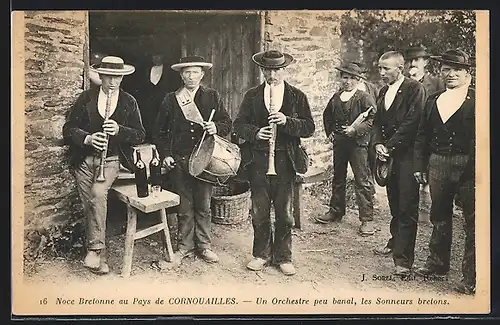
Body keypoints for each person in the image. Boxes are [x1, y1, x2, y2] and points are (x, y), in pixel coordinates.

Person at [233, 50, 315, 276]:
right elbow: (238, 125)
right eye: (267, 70)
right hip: (259, 160)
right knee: (259, 211)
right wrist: (256, 133)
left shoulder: (297, 96)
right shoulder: (252, 95)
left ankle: (283, 257)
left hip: (285, 160)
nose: (272, 74)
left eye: (277, 69)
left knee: (284, 213)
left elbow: (309, 127)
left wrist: (287, 121)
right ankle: (261, 254)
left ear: (283, 70)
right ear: (262, 70)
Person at [63, 56, 146, 274]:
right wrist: (88, 139)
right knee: (88, 204)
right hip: (84, 160)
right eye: (108, 76)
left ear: (122, 78)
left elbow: (140, 134)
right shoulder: (86, 98)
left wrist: (120, 130)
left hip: (111, 160)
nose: (112, 82)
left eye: (117, 77)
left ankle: (95, 250)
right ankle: (102, 259)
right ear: (100, 76)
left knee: (97, 195)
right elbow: (69, 129)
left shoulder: (129, 102)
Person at [152, 55, 232, 265]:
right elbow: (159, 131)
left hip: (205, 159)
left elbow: (226, 123)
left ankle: (204, 245)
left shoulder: (212, 96)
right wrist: (166, 155)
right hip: (180, 159)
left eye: (195, 72)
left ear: (202, 75)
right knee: (184, 206)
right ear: (181, 75)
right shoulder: (171, 99)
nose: (191, 76)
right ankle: (185, 246)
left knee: (204, 204)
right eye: (187, 72)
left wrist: (216, 127)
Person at [413, 49, 476, 295]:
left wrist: (475, 169)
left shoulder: (478, 100)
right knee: (439, 215)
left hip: (468, 165)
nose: (450, 74)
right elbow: (422, 135)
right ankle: (438, 265)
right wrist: (420, 166)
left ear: (467, 74)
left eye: (456, 70)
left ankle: (471, 277)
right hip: (438, 162)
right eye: (446, 69)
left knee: (473, 221)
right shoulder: (433, 99)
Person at [371, 51, 426, 276]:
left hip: (408, 158)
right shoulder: (383, 91)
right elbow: (376, 122)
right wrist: (377, 144)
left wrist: (389, 146)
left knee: (407, 207)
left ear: (400, 68)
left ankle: (403, 261)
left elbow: (412, 123)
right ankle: (395, 241)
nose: (382, 73)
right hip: (388, 155)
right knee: (394, 203)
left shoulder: (415, 89)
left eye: (386, 69)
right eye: (380, 68)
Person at [314, 62, 377, 237]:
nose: (347, 81)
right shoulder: (336, 97)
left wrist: (355, 130)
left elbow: (372, 119)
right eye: (345, 77)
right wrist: (330, 133)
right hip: (340, 143)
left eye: (351, 78)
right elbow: (327, 115)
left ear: (358, 80)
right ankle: (336, 211)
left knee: (361, 180)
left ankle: (366, 219)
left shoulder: (363, 97)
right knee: (338, 177)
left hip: (358, 145)